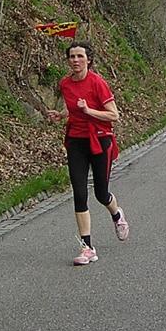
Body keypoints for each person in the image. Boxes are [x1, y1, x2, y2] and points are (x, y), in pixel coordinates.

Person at [47, 41, 129, 266]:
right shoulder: (65, 83)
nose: (75, 60)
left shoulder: (97, 83)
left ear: (88, 60)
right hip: (76, 141)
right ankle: (87, 247)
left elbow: (114, 115)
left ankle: (116, 214)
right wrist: (62, 115)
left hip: (100, 139)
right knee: (79, 192)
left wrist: (88, 110)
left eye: (79, 56)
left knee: (101, 194)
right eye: (71, 56)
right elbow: (73, 108)